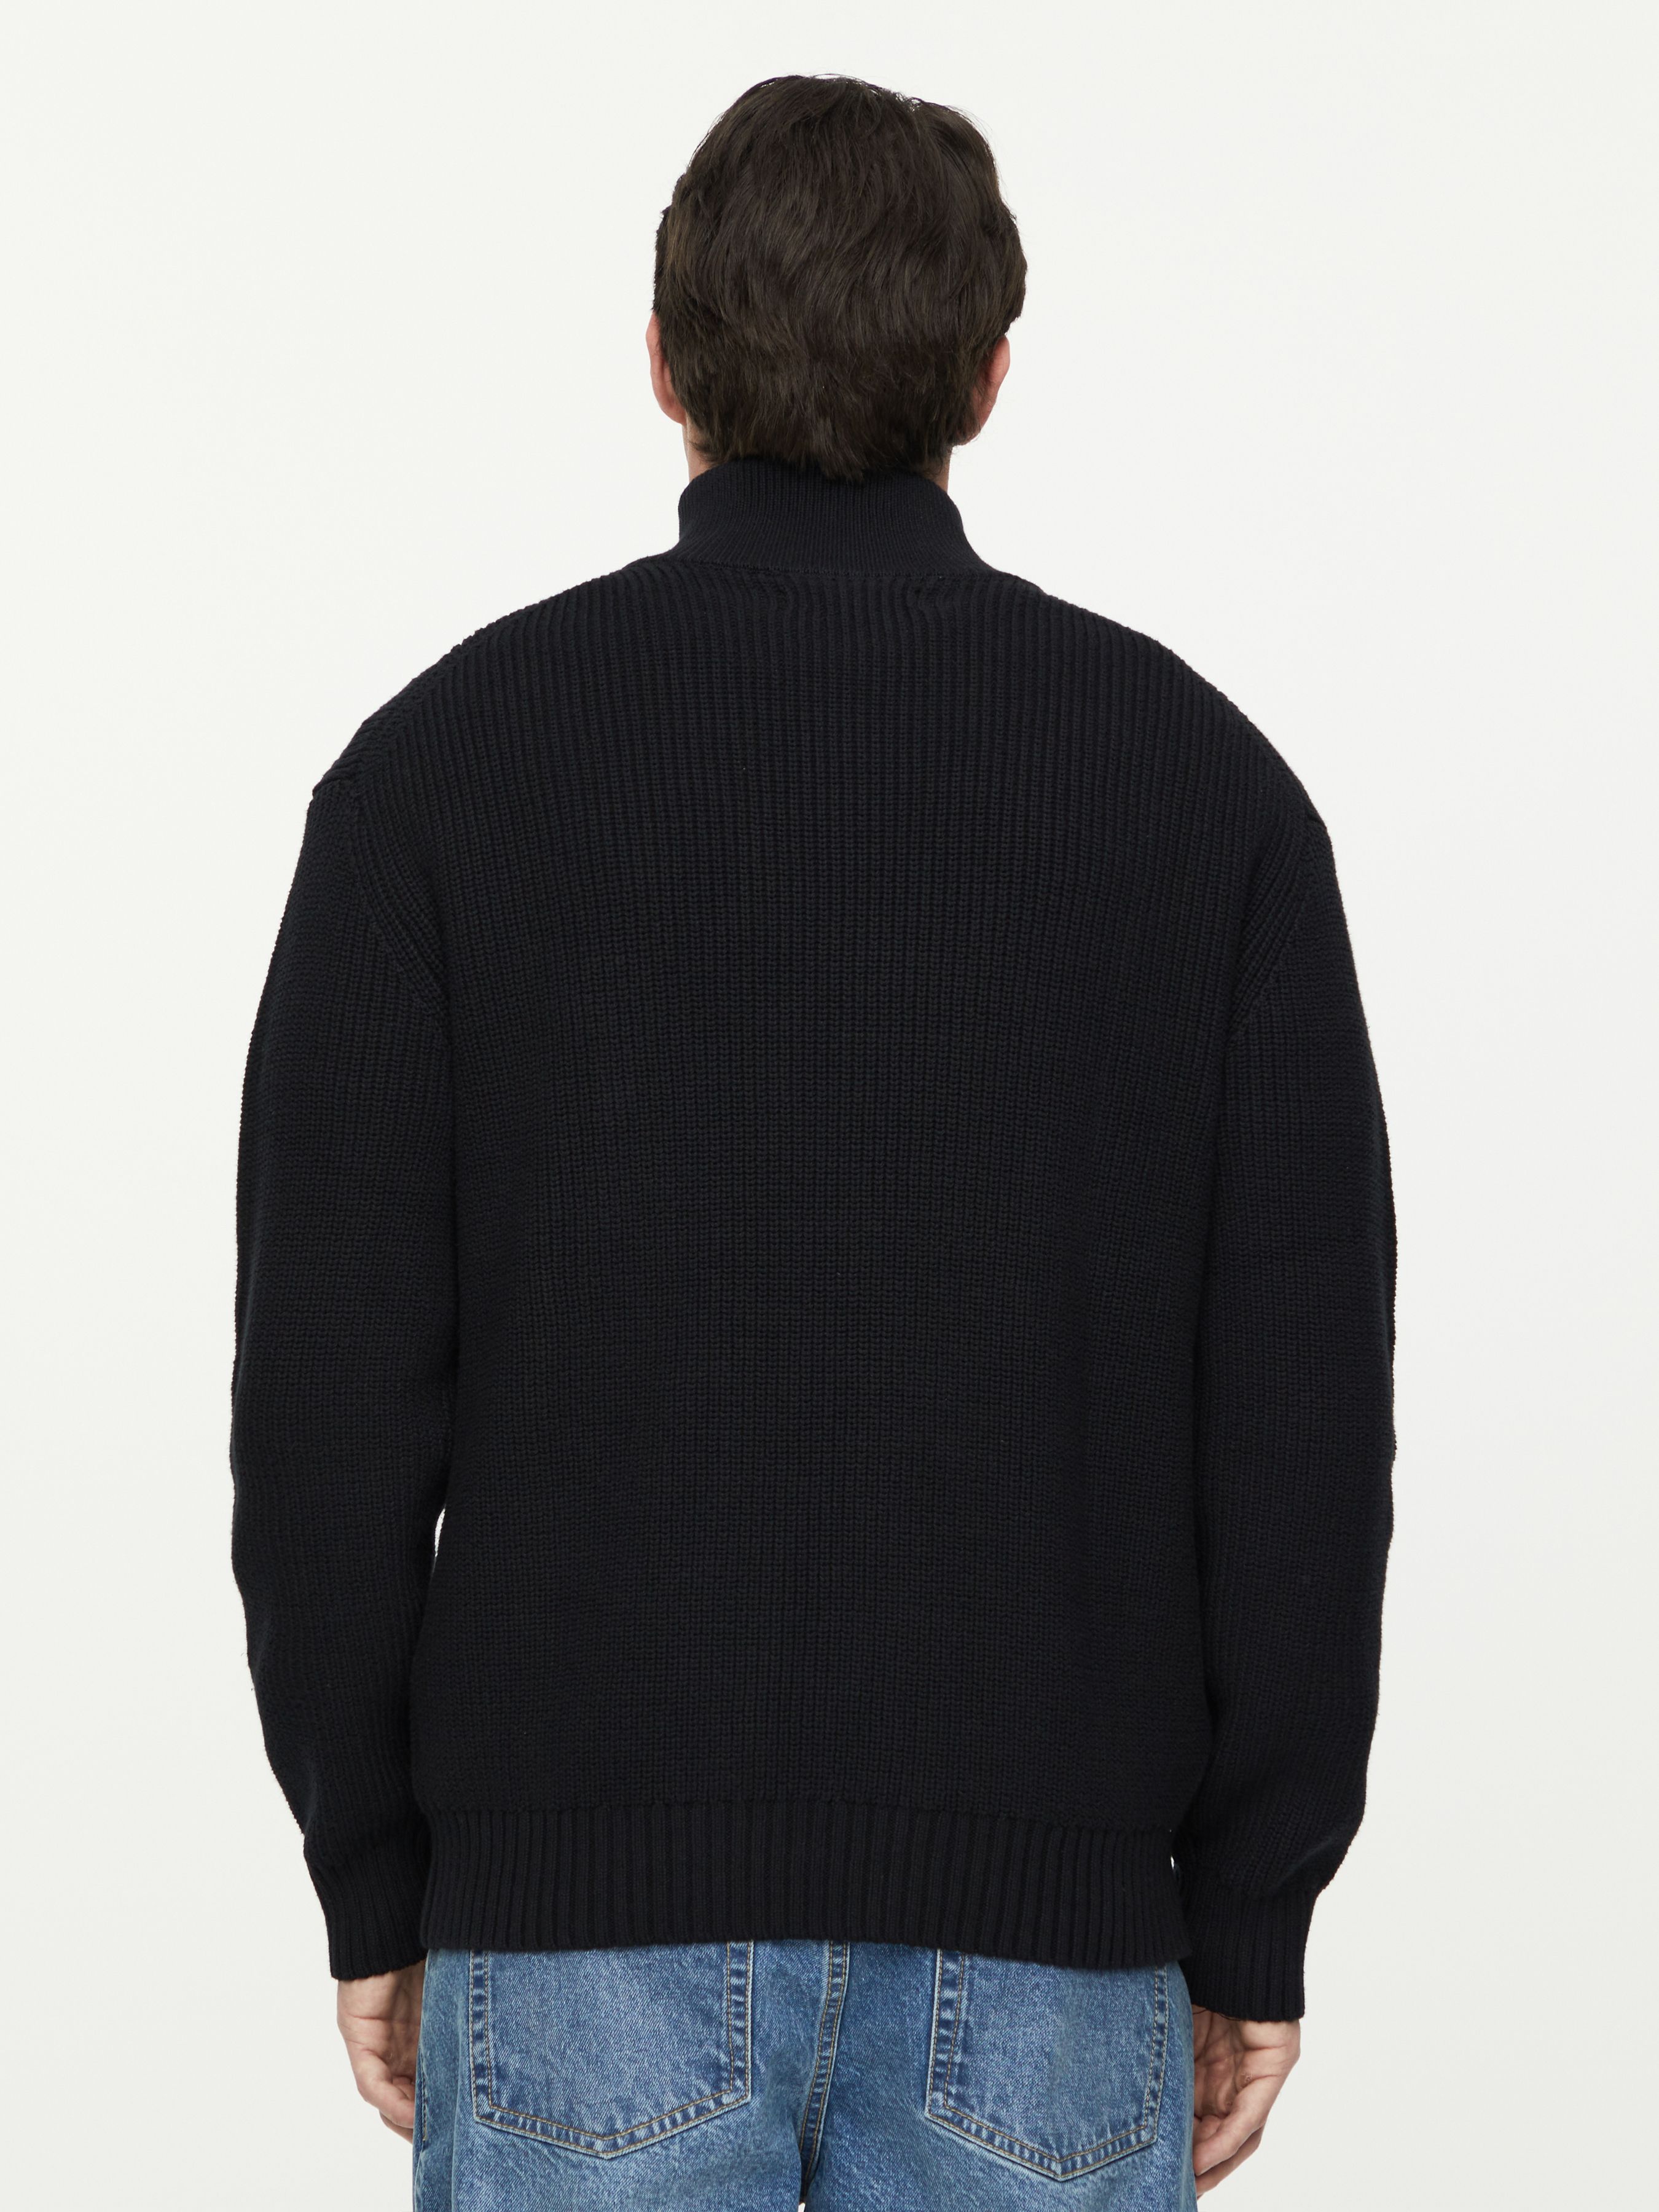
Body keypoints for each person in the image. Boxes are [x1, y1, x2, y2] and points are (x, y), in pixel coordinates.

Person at [231, 73, 1395, 2210]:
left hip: (573, 1934)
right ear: (989, 376)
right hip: (1054, 1945)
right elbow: (1301, 1426)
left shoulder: (439, 780)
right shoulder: (1203, 800)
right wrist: (1250, 1907)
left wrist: (375, 1872)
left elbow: (323, 1410)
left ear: (660, 364)